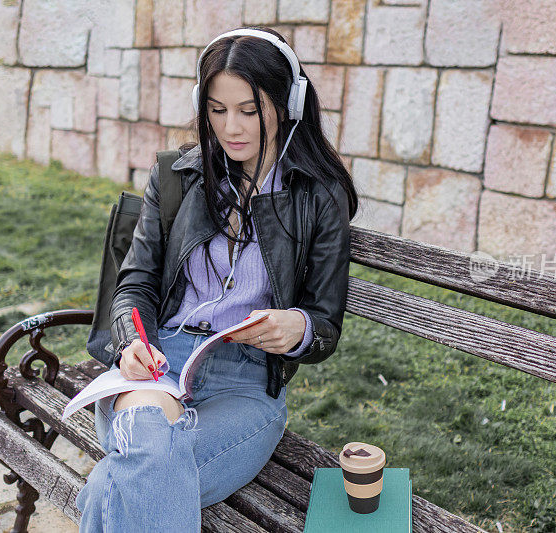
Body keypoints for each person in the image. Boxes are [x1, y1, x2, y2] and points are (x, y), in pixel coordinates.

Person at [76, 26, 358, 531]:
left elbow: (324, 323)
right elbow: (134, 283)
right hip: (157, 368)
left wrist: (298, 327)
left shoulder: (319, 196)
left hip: (246, 385)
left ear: (288, 103)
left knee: (110, 487)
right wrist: (129, 343)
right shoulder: (176, 177)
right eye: (217, 109)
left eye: (250, 110)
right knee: (145, 450)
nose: (232, 127)